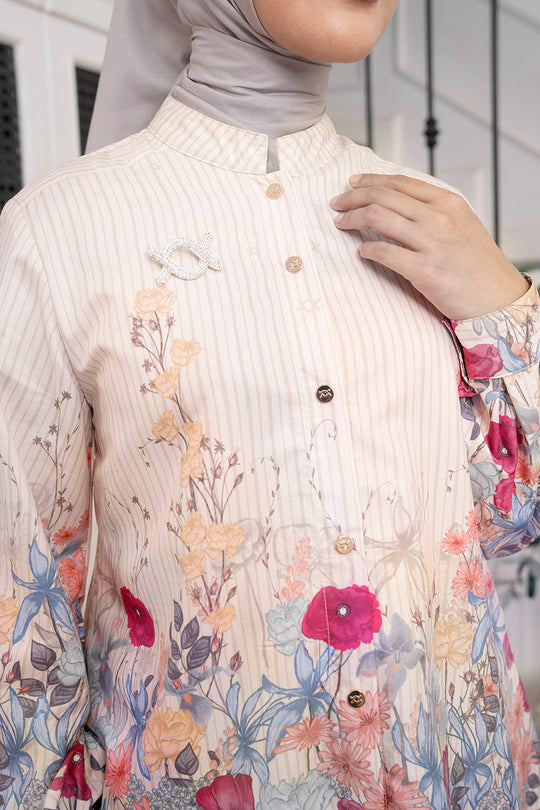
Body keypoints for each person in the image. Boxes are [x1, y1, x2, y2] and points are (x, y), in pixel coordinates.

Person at [0, 1, 539, 808]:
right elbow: (21, 616)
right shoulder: (57, 232)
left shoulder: (431, 216)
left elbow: (513, 516)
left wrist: (506, 300)